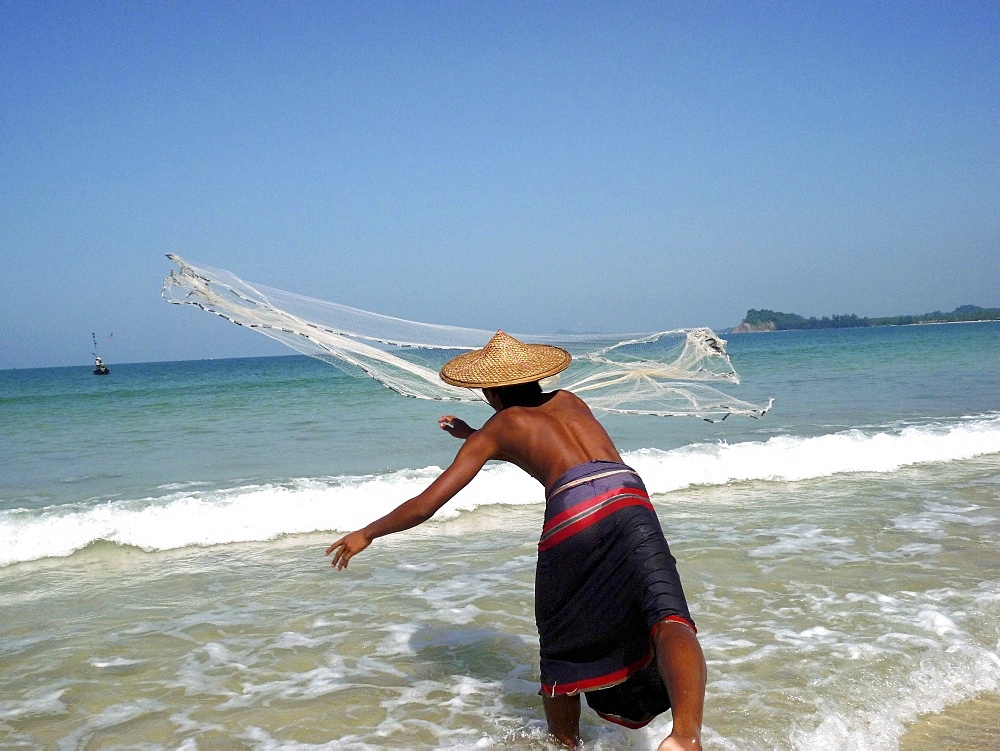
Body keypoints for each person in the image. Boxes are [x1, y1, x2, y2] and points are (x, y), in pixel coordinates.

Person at [326, 331, 706, 750]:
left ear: (488, 389)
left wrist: (367, 533)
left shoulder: (497, 428)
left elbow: (426, 504)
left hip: (573, 512)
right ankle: (686, 737)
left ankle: (566, 745)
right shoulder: (570, 400)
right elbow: (550, 449)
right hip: (630, 495)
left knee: (560, 643)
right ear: (536, 377)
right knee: (665, 613)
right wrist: (475, 436)